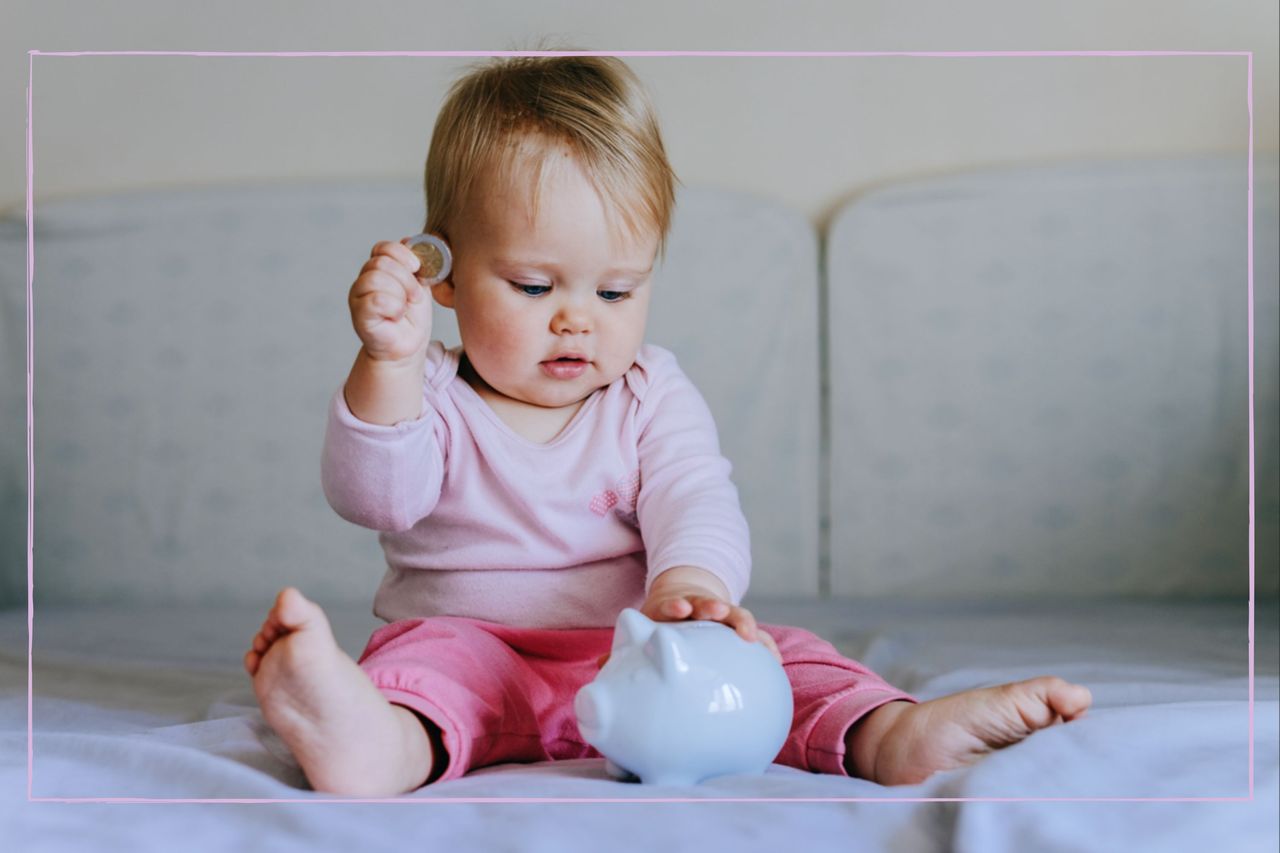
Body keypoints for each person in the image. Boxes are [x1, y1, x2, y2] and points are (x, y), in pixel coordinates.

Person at [244, 53, 1092, 796]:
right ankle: (371, 743)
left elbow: (696, 497)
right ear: (444, 278)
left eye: (615, 291)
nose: (578, 320)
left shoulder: (650, 392)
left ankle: (891, 734)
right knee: (425, 678)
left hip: (646, 650)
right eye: (536, 287)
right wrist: (386, 363)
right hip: (474, 646)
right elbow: (375, 499)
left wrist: (690, 588)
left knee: (785, 657)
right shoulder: (426, 388)